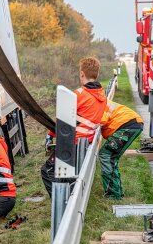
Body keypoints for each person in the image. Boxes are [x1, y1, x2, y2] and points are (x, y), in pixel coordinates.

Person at [41, 57, 107, 197]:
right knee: (65, 175)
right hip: (87, 142)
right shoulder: (102, 94)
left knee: (47, 171)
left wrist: (50, 135)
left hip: (73, 143)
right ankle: (69, 197)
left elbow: (62, 118)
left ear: (82, 74)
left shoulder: (79, 94)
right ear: (97, 74)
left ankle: (64, 204)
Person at [99, 100, 143, 200]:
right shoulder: (96, 99)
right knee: (111, 157)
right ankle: (117, 191)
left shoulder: (92, 103)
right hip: (129, 123)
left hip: (126, 125)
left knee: (106, 155)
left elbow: (102, 119)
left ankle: (113, 195)